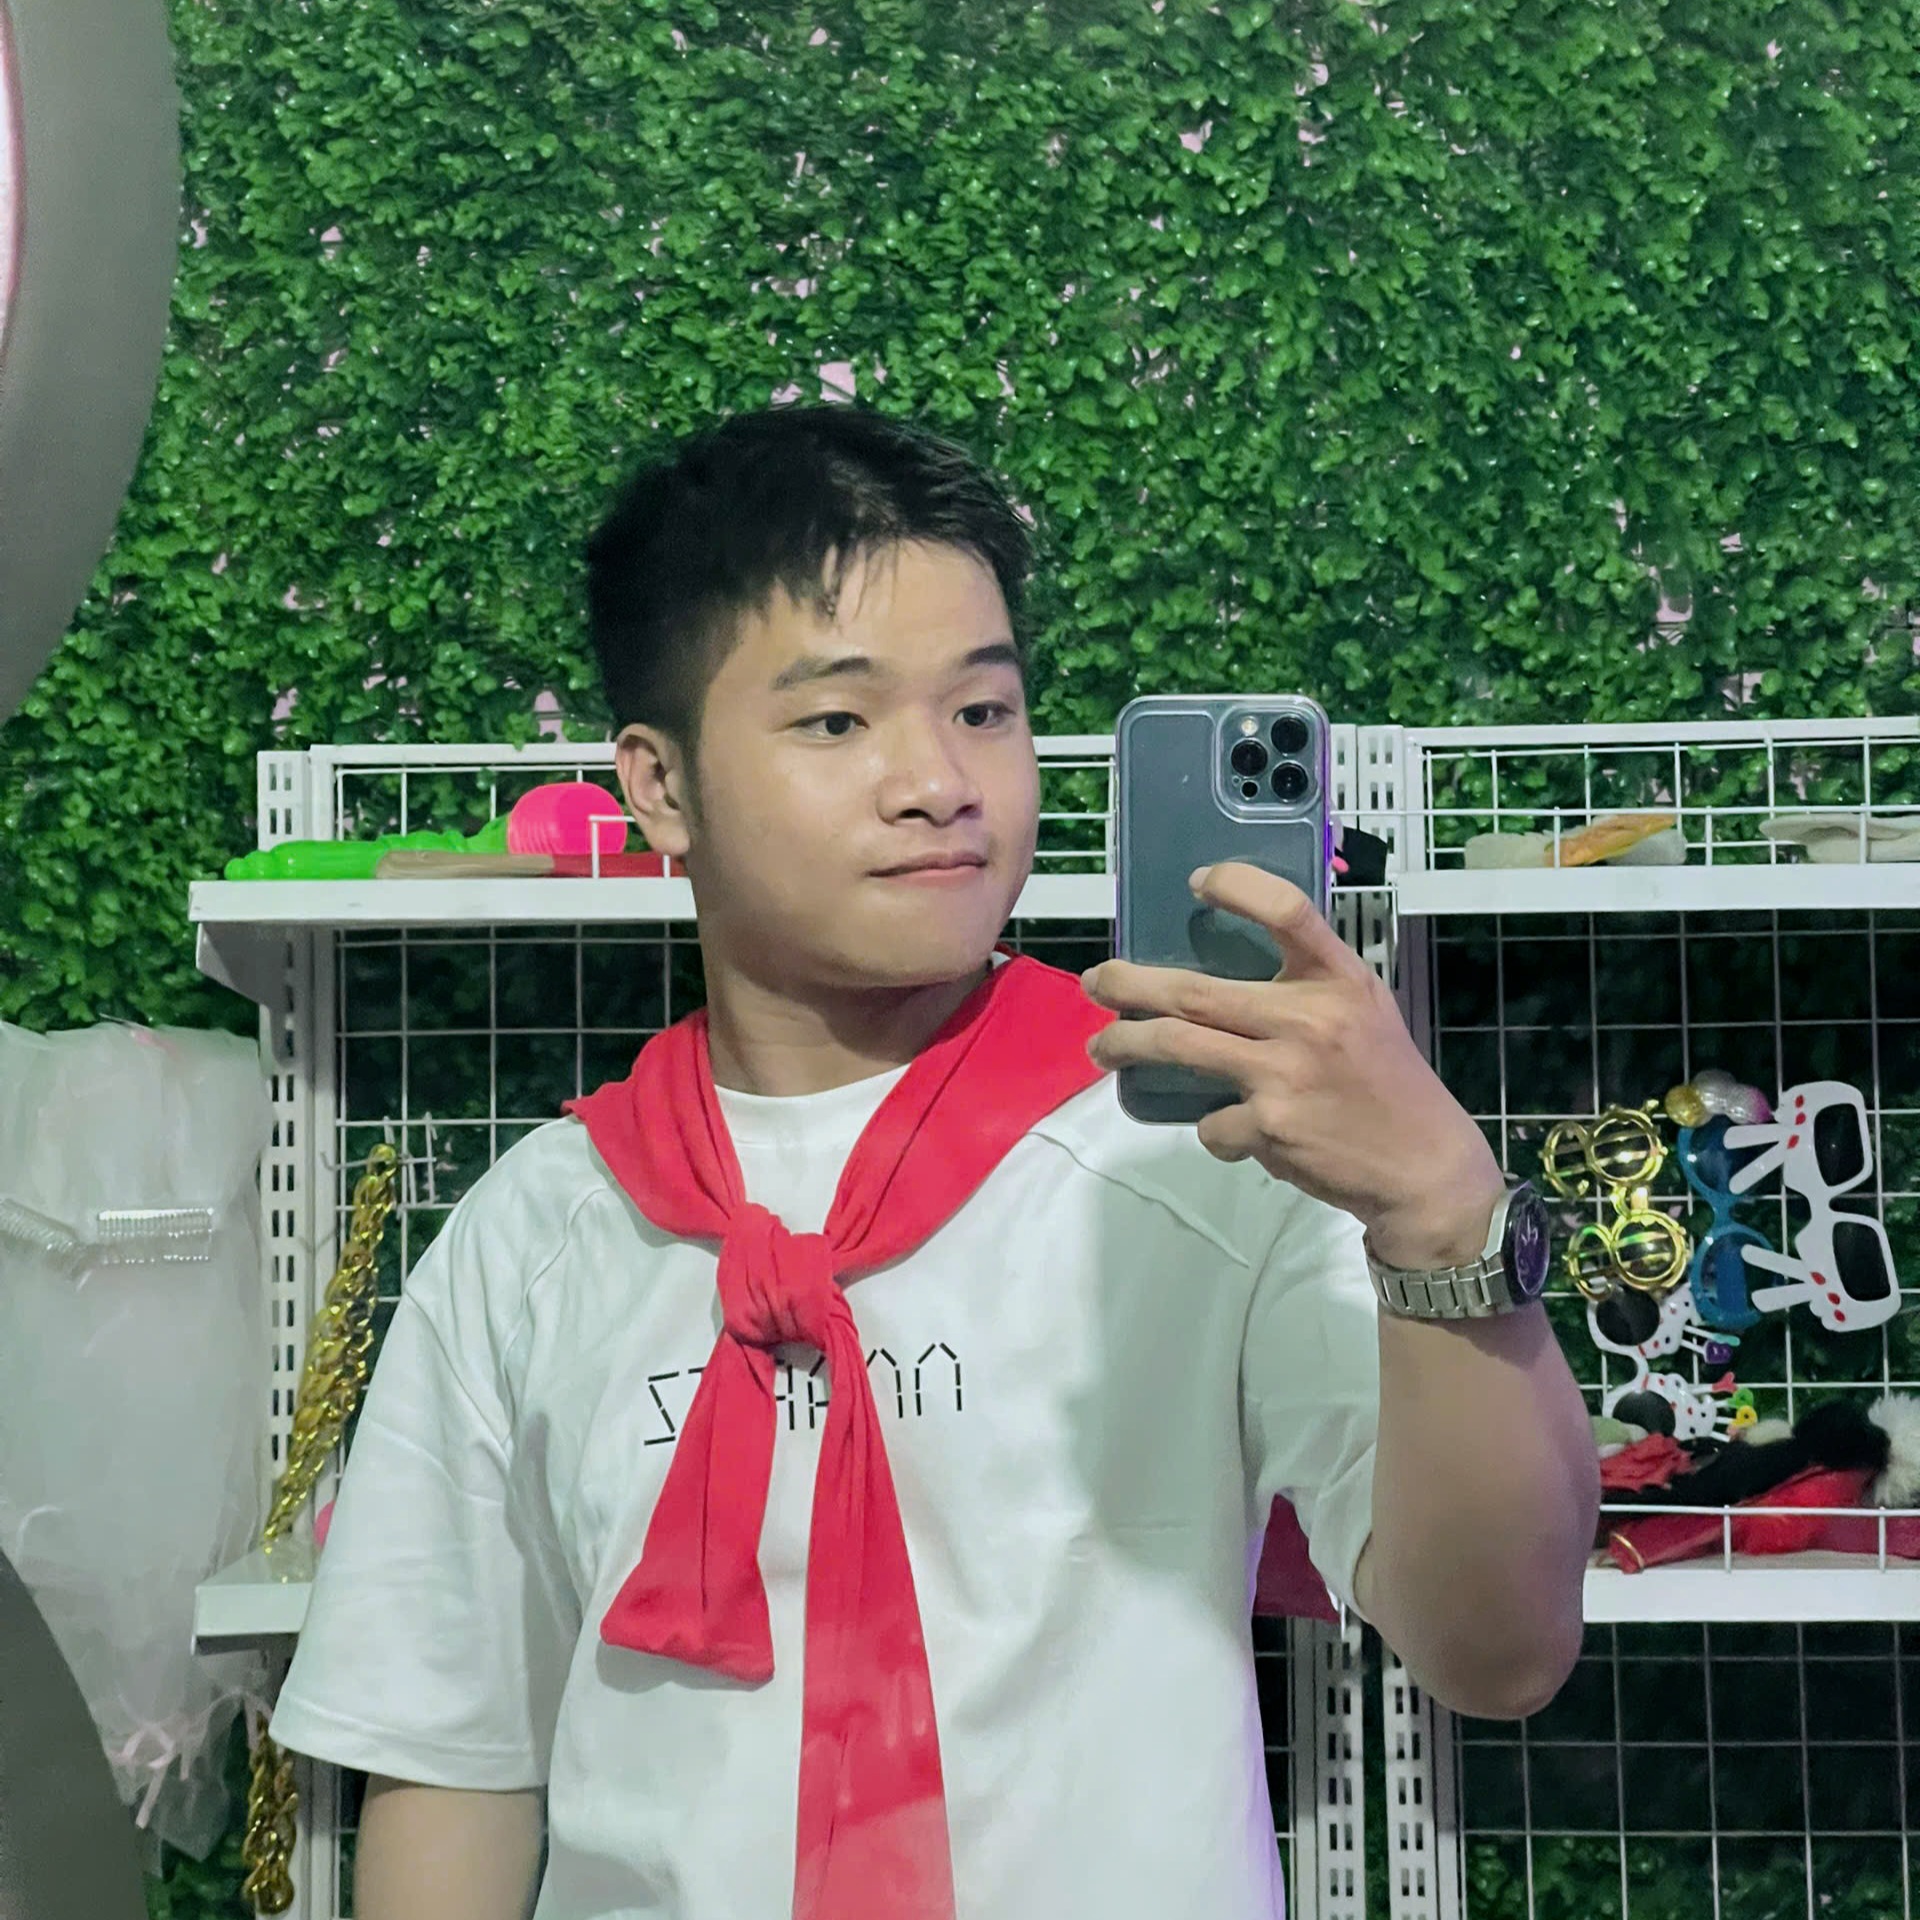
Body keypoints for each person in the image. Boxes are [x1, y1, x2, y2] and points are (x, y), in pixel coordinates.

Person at [267, 404, 1597, 1920]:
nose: (939, 782)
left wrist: (1444, 1220)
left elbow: (1500, 1651)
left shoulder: (1208, 1152)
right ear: (659, 786)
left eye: (983, 710)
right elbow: (455, 1769)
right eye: (838, 722)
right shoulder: (538, 1235)